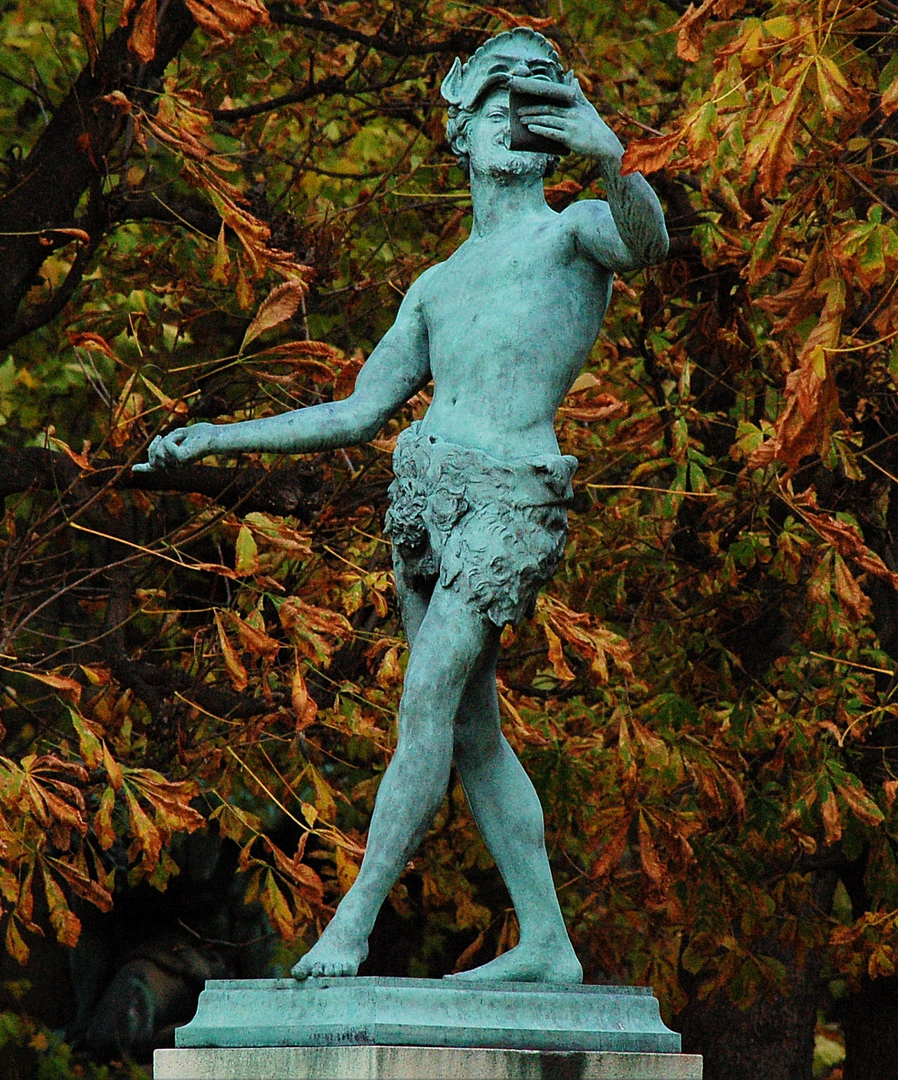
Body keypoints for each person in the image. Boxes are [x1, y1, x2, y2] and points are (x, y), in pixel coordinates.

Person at [135, 28, 668, 983]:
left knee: (424, 701)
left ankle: (352, 923)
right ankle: (548, 945)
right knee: (471, 730)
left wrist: (614, 156)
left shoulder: (575, 230)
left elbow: (648, 242)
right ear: (461, 132)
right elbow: (357, 411)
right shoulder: (437, 284)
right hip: (426, 504)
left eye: (529, 104)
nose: (513, 119)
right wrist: (219, 437)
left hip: (512, 498)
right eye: (494, 105)